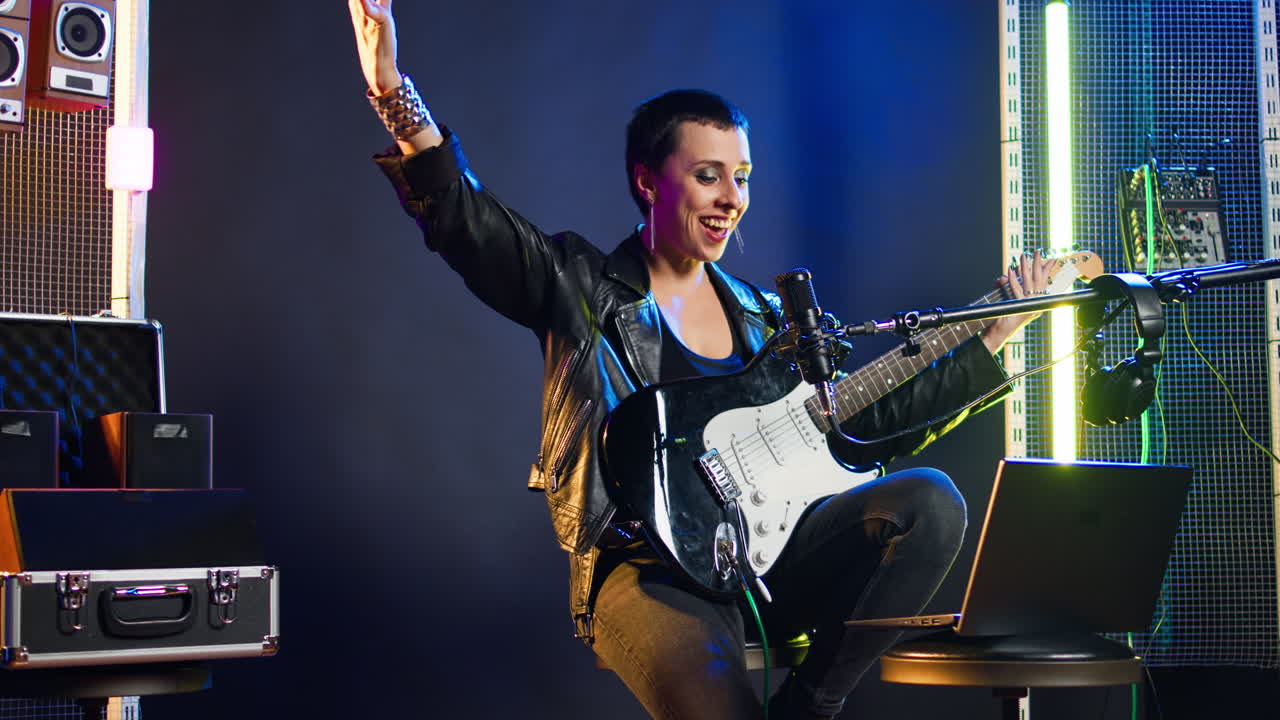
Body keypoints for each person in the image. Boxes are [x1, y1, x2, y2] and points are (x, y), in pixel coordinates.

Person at [348, 2, 1054, 718]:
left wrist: (993, 336)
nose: (732, 199)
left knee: (930, 501)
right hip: (647, 572)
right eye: (709, 176)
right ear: (648, 182)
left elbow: (861, 427)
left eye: (742, 177)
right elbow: (467, 221)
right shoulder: (579, 287)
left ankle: (811, 706)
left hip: (770, 564)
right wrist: (391, 89)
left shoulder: (767, 318)